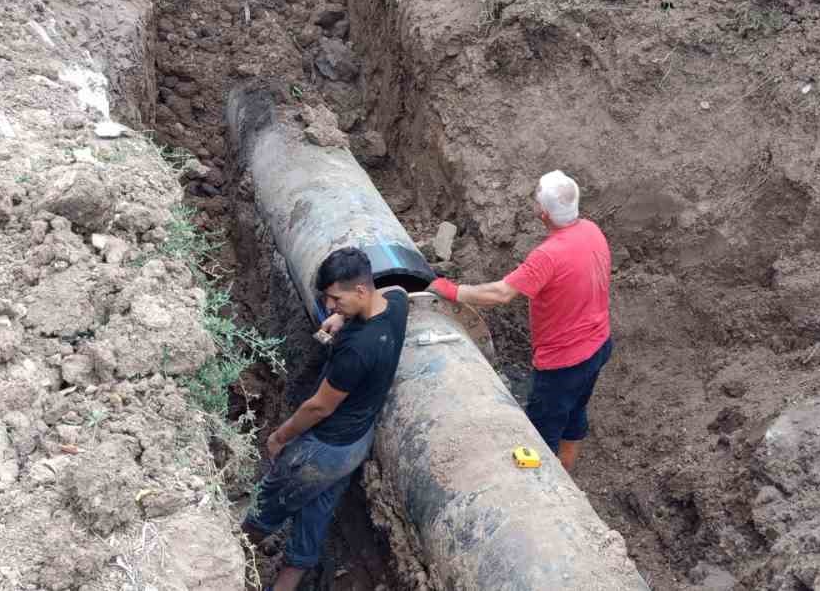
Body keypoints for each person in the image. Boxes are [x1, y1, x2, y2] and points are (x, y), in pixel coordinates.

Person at [242, 247, 408, 591]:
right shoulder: (395, 309)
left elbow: (319, 407)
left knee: (268, 504)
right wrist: (343, 318)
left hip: (322, 451)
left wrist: (281, 437)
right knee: (315, 512)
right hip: (355, 444)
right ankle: (292, 576)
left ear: (360, 290)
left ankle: (229, 556)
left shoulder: (358, 350)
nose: (329, 306)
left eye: (335, 300)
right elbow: (398, 290)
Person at [428, 170, 612, 472]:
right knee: (575, 411)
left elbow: (501, 294)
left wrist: (453, 290)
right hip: (599, 346)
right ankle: (567, 469)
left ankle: (548, 490)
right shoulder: (591, 230)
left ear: (542, 212)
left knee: (539, 436)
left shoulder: (548, 256)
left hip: (564, 363)